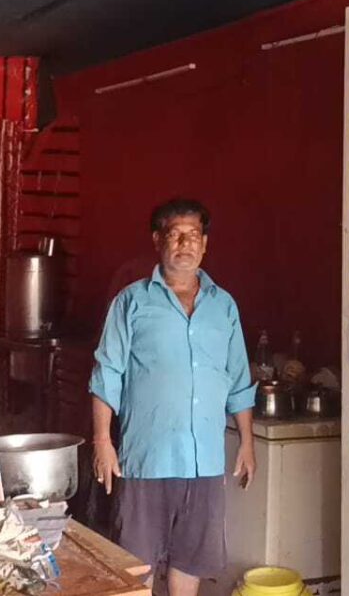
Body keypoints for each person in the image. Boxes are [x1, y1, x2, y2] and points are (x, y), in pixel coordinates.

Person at [89, 198, 257, 596]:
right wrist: (102, 441)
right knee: (136, 567)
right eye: (175, 234)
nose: (185, 244)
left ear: (205, 243)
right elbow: (107, 374)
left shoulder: (223, 306)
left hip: (204, 462)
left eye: (194, 235)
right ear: (157, 240)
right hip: (147, 457)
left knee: (190, 563)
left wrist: (247, 442)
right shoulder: (131, 301)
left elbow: (238, 378)